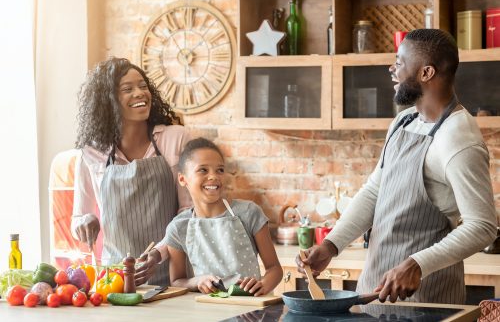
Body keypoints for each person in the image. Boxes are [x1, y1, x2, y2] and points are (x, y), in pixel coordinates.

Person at [297, 29, 497, 304]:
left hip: (427, 298)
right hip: (374, 290)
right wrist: (331, 245)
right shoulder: (404, 122)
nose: (392, 69)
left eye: (400, 62)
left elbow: (482, 226)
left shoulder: (458, 138)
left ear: (426, 73)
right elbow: (374, 192)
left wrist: (417, 264)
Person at [71, 57, 192, 286]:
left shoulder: (175, 139)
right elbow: (78, 218)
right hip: (115, 278)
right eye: (127, 89)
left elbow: (189, 212)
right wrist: (85, 221)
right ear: (108, 101)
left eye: (143, 86)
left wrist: (159, 253)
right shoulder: (91, 153)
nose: (139, 93)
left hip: (174, 276)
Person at [161, 137, 283, 295]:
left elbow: (274, 269)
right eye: (203, 170)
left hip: (251, 308)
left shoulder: (249, 212)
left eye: (220, 170)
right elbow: (177, 281)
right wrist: (197, 281)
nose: (213, 176)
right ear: (183, 179)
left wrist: (263, 285)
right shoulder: (178, 227)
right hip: (206, 311)